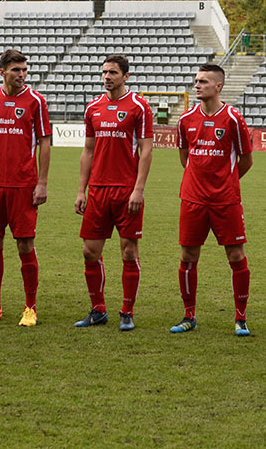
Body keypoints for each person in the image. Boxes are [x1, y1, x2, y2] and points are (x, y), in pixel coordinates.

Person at [171, 64, 253, 336]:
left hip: (225, 201)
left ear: (218, 86)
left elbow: (246, 159)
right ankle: (188, 315)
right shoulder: (186, 119)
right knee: (188, 255)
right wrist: (197, 181)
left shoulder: (232, 118)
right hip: (193, 199)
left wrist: (225, 182)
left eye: (203, 81)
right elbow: (184, 156)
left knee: (236, 255)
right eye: (196, 80)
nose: (197, 85)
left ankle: (240, 317)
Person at [0, 49, 51, 327]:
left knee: (25, 244)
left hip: (22, 185)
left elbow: (44, 142)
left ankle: (30, 307)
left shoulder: (36, 102)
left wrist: (42, 182)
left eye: (24, 70)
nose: (22, 75)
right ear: (2, 71)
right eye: (16, 70)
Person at [73, 55, 154, 331]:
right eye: (105, 72)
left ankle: (127, 312)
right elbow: (88, 150)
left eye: (113, 73)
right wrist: (81, 190)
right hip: (97, 190)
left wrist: (138, 189)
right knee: (89, 251)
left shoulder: (139, 107)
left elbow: (146, 150)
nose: (108, 77)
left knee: (129, 253)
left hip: (126, 191)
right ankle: (98, 310)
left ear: (126, 76)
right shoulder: (93, 107)